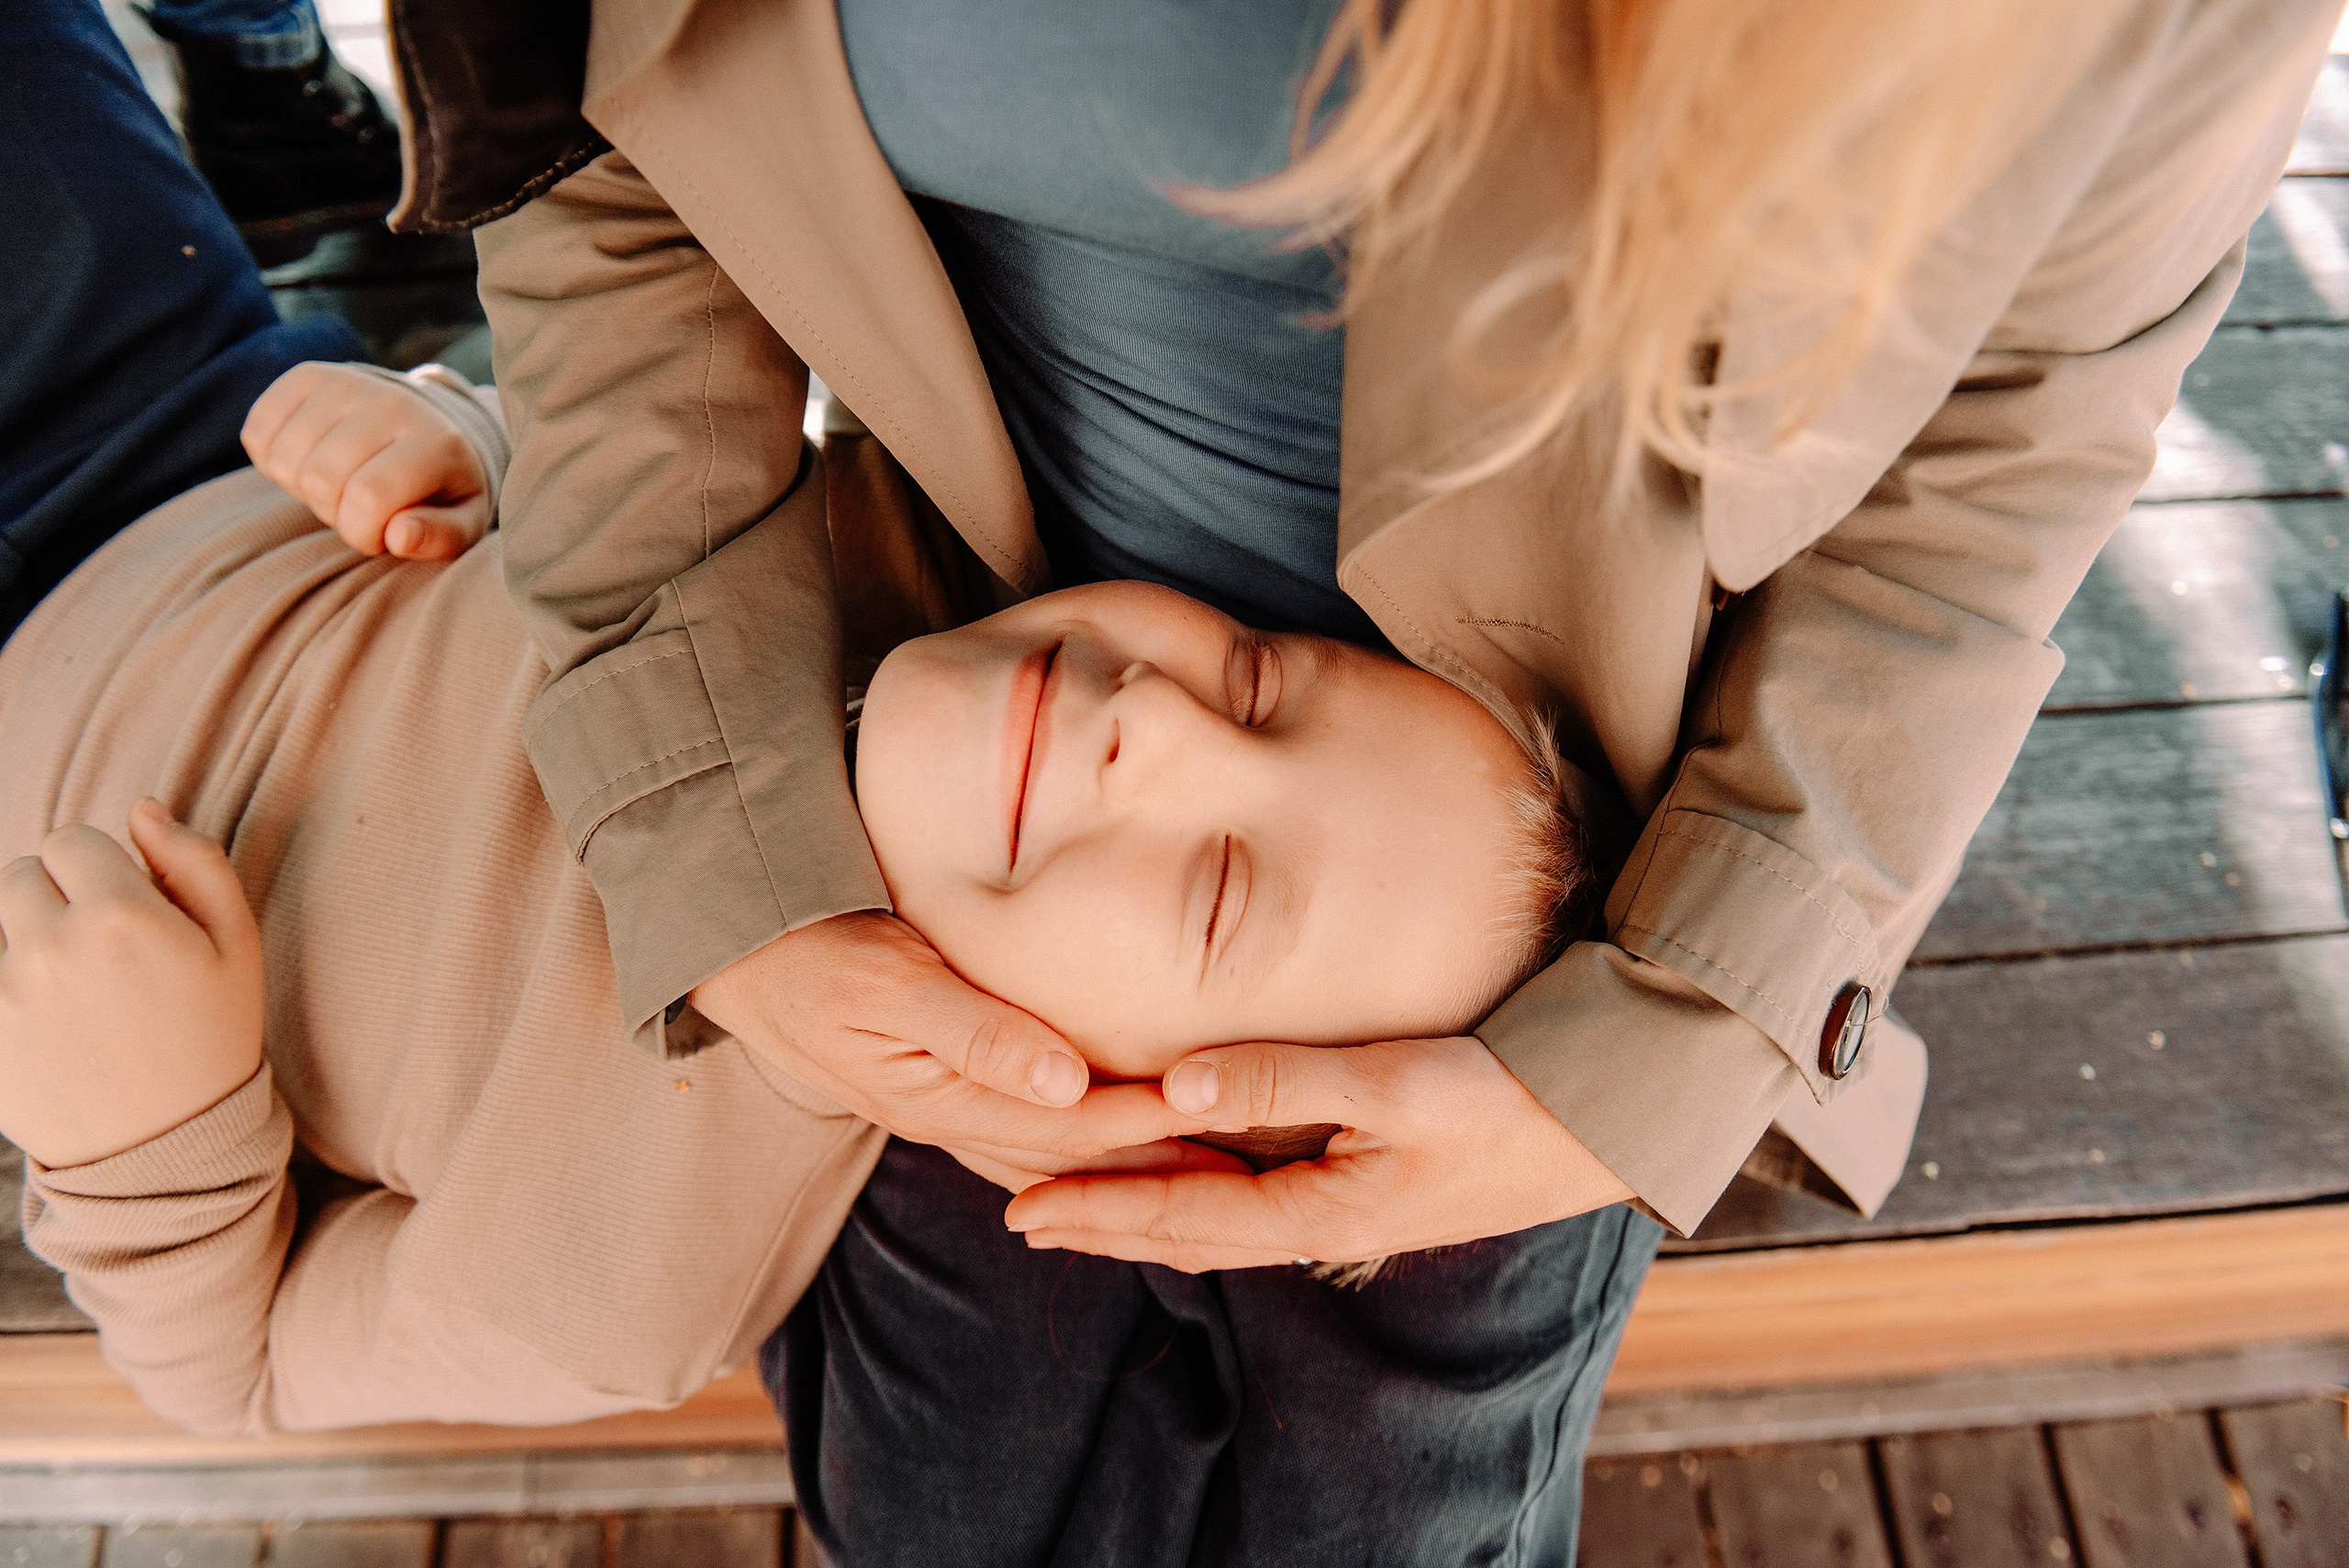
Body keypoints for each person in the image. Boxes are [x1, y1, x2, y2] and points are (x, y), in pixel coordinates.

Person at [378, 0, 2337, 1560]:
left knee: (1402, 1491)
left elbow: (2027, 401)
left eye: (1253, 685)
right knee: (937, 1482)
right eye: (1243, 678)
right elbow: (577, 130)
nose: (1160, 726)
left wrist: (1676, 1022)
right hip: (947, 774)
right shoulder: (1005, 759)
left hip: (1569, 888)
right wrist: (730, 855)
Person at [0, 354, 1596, 1433]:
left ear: (1135, 1142)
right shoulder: (893, 520)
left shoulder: (624, 1277)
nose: (1164, 723)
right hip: (168, 406)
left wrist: (150, 1131)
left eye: (1221, 891)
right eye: (1255, 678)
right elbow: (608, 421)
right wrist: (460, 437)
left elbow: (245, 1370)